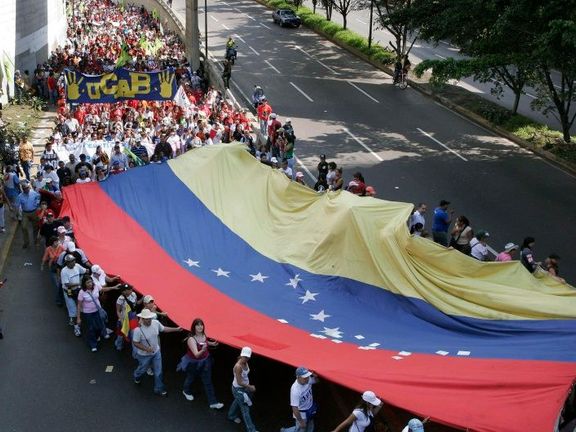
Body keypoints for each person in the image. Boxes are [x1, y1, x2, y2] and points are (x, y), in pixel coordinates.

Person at [132, 309, 182, 396]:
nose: (149, 320)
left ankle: (159, 389)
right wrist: (146, 349)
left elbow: (164, 329)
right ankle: (137, 376)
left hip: (156, 352)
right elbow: (135, 343)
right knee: (142, 370)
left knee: (158, 372)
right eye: (147, 319)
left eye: (150, 318)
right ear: (142, 319)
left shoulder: (155, 323)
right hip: (144, 355)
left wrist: (176, 329)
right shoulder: (138, 330)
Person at [180, 318, 224, 409]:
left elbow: (205, 342)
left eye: (201, 325)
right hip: (194, 363)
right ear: (194, 327)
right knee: (191, 378)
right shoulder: (191, 339)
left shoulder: (203, 334)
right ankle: (186, 390)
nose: (200, 327)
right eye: (197, 325)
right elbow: (196, 354)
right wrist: (203, 350)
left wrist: (212, 344)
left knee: (208, 381)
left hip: (205, 361)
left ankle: (213, 403)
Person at [76, 276, 120, 352]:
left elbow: (103, 289)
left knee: (99, 327)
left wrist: (114, 287)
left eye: (90, 281)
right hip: (88, 313)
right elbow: (79, 305)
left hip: (97, 311)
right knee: (91, 328)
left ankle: (96, 337)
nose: (90, 284)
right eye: (88, 282)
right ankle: (93, 344)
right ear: (84, 284)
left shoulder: (96, 286)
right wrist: (78, 317)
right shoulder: (82, 292)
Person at [227, 347, 258, 431]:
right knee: (245, 410)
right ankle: (251, 430)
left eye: (247, 357)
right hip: (238, 389)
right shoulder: (238, 367)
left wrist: (248, 386)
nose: (246, 358)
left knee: (237, 401)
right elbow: (239, 382)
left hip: (244, 388)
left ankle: (231, 415)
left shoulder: (246, 362)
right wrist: (250, 386)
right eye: (244, 356)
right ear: (241, 355)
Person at [280, 367, 319, 432]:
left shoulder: (307, 379)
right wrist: (301, 421)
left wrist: (315, 377)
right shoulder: (295, 390)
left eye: (307, 376)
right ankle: (285, 431)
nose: (307, 379)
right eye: (304, 377)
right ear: (298, 377)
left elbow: (317, 381)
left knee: (310, 426)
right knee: (300, 429)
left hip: (310, 408)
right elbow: (294, 408)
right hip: (302, 413)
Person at [60, 254, 87, 336]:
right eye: (71, 261)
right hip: (69, 291)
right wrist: (79, 283)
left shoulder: (77, 266)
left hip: (78, 290)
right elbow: (67, 284)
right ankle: (76, 328)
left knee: (82, 305)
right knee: (73, 309)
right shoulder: (64, 271)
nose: (73, 262)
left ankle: (77, 319)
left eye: (74, 260)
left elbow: (85, 271)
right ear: (67, 263)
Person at [40, 236, 65, 306]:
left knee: (61, 283)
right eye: (55, 242)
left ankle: (61, 298)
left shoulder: (61, 247)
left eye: (57, 241)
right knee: (57, 284)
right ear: (52, 243)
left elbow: (66, 253)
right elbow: (45, 257)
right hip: (53, 267)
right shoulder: (48, 249)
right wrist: (42, 265)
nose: (57, 243)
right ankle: (59, 299)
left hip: (60, 267)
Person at [16, 179, 41, 249]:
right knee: (23, 227)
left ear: (29, 188)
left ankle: (35, 240)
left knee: (35, 227)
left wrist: (37, 203)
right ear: (22, 189)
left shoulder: (33, 193)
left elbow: (38, 196)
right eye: (24, 189)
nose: (26, 189)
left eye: (27, 188)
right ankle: (26, 242)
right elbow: (17, 205)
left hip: (34, 212)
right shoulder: (20, 196)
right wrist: (17, 213)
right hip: (25, 213)